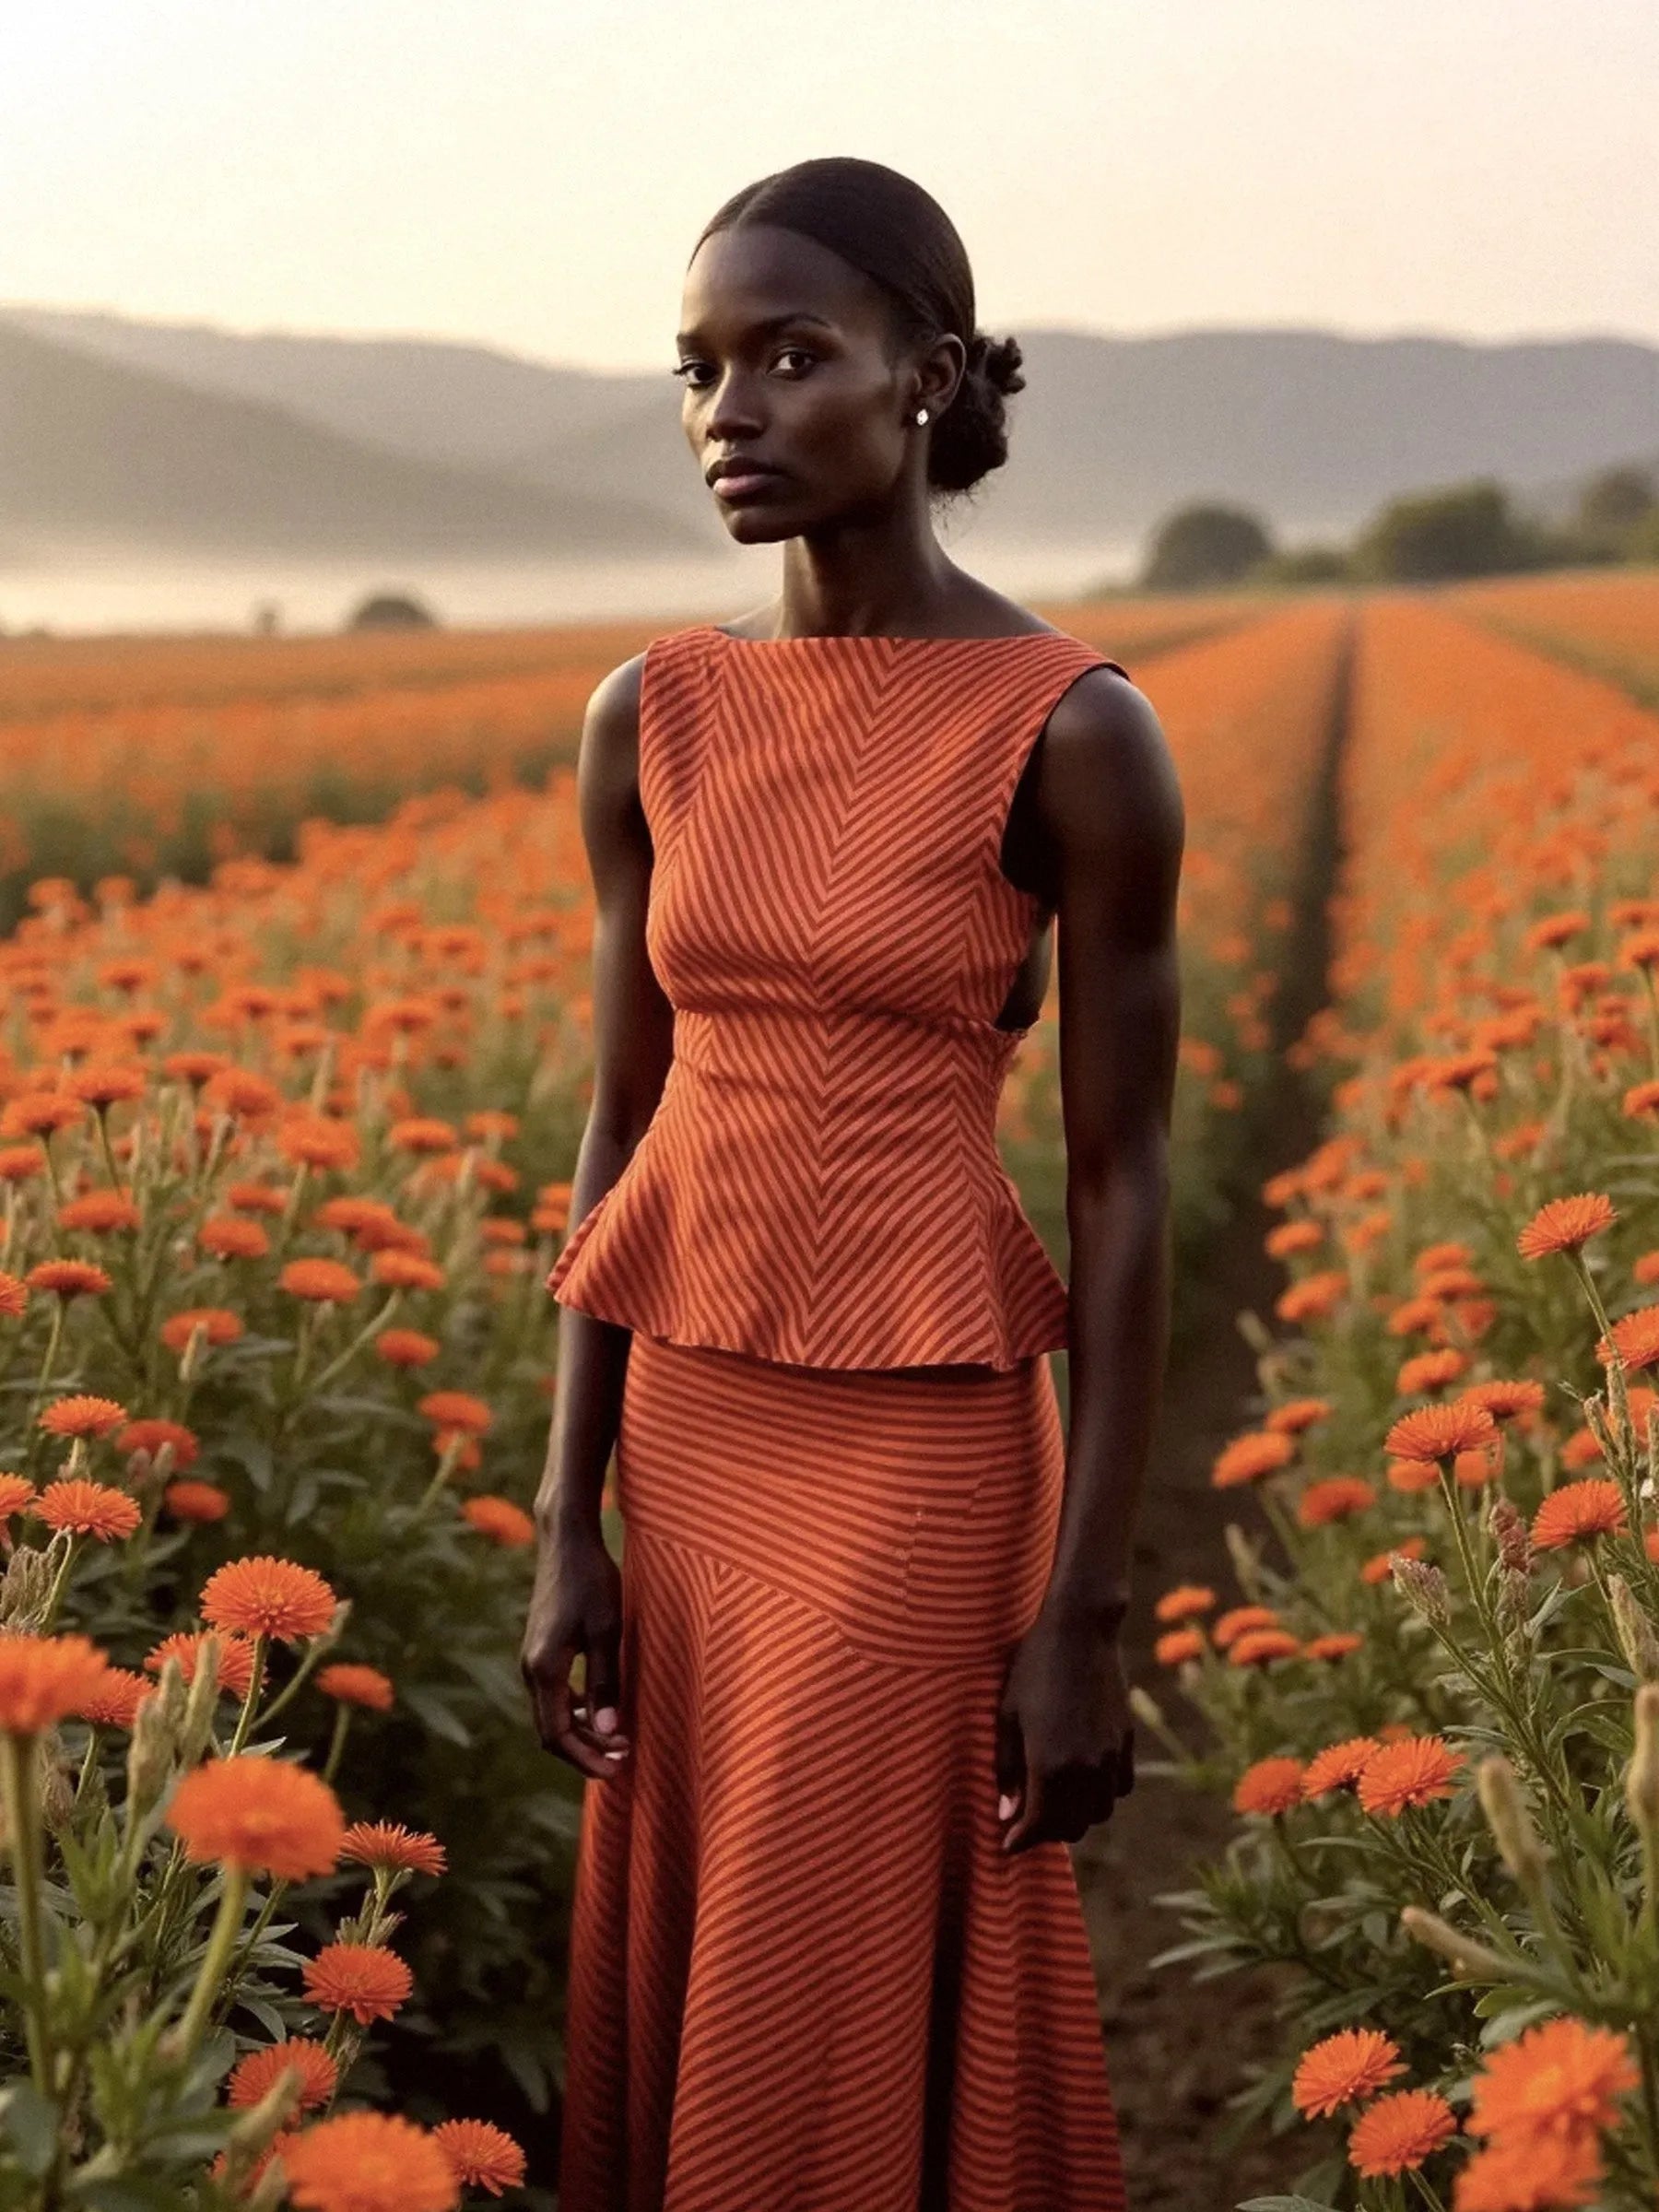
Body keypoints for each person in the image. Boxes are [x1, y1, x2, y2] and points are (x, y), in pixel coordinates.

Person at [520, 154, 1184, 2212]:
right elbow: (622, 1128)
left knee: (838, 1931)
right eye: (698, 368)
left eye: (791, 357)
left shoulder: (1077, 734)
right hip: (692, 1426)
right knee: (712, 1919)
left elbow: (1126, 1186)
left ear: (929, 380)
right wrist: (564, 1516)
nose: (730, 411)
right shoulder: (651, 716)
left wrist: (1084, 1610)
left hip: (925, 1440)